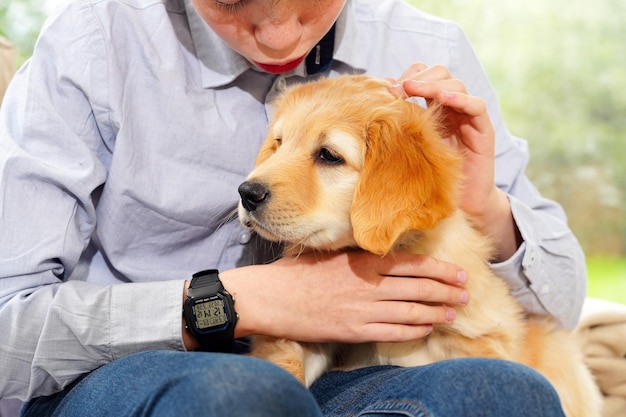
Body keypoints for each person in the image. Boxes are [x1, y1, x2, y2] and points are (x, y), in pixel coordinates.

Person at [0, 0, 587, 416]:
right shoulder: (93, 41)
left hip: (341, 382)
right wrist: (238, 302)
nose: (280, 38)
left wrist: (478, 201)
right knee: (240, 395)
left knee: (505, 394)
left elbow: (562, 299)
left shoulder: (430, 47)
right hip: (138, 376)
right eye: (231, 1)